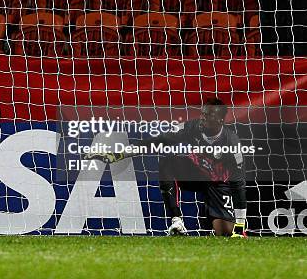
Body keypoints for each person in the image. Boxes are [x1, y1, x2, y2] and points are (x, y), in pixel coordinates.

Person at [88, 98, 247, 237]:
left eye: (209, 114)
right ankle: (176, 221)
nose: (203, 117)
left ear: (220, 119)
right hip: (195, 174)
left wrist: (240, 226)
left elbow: (238, 184)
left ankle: (213, 215)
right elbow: (158, 141)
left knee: (226, 232)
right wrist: (120, 154)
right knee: (168, 162)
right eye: (203, 113)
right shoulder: (192, 128)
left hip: (218, 183)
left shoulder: (231, 144)